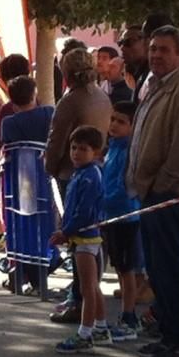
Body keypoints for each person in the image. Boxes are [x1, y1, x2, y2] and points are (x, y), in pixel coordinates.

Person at [126, 25, 179, 357]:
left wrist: (163, 184)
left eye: (164, 50)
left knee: (172, 269)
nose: (156, 55)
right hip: (150, 193)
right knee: (159, 270)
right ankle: (169, 334)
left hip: (169, 196)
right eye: (154, 48)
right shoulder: (156, 86)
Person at [44, 48, 113, 324]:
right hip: (98, 167)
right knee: (93, 238)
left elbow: (57, 137)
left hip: (71, 171)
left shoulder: (71, 101)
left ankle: (80, 297)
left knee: (75, 236)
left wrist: (49, 166)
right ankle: (85, 294)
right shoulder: (101, 96)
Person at [51, 125, 107, 353]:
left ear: (96, 152)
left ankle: (86, 334)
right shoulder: (81, 173)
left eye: (83, 149)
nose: (76, 153)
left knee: (87, 289)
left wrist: (66, 232)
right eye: (74, 148)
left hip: (85, 238)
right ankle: (101, 327)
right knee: (92, 286)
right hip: (81, 236)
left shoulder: (90, 176)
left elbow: (83, 213)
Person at [0, 76, 57, 295]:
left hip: (16, 185)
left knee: (20, 226)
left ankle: (20, 272)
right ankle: (41, 270)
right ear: (34, 95)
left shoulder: (9, 123)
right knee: (41, 225)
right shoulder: (47, 114)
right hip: (41, 181)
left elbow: (4, 144)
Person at [100, 100, 141, 341]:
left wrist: (103, 201)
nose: (114, 125)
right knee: (119, 268)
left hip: (126, 216)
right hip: (111, 217)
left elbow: (122, 187)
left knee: (127, 270)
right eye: (113, 119)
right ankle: (127, 314)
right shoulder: (112, 147)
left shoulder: (128, 151)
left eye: (121, 122)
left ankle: (129, 316)